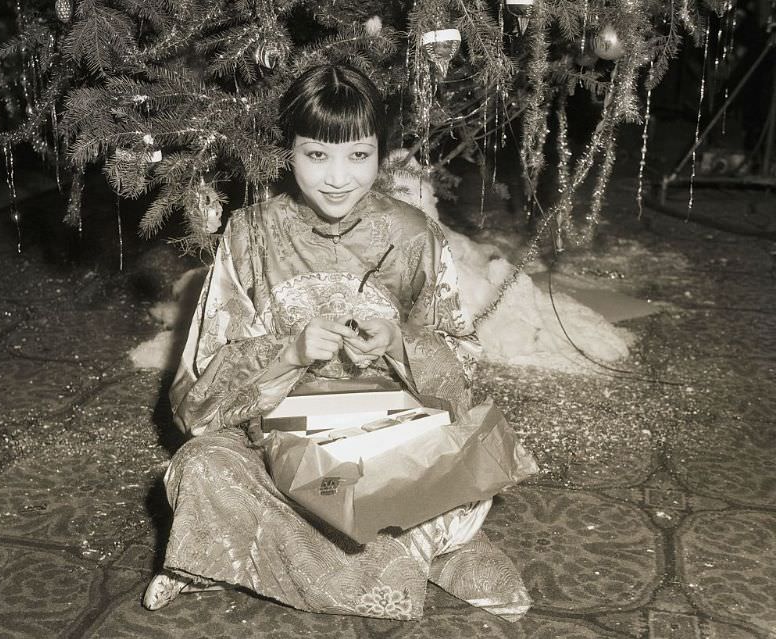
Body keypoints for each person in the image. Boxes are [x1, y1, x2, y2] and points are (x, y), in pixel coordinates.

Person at [142, 63, 537, 621]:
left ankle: (223, 555)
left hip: (392, 445)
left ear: (380, 152)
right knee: (199, 467)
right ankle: (417, 555)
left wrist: (400, 343)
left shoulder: (414, 235)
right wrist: (290, 353)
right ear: (289, 151)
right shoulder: (249, 233)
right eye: (316, 155)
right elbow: (200, 395)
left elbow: (465, 370)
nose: (338, 178)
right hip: (285, 448)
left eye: (358, 155)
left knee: (467, 468)